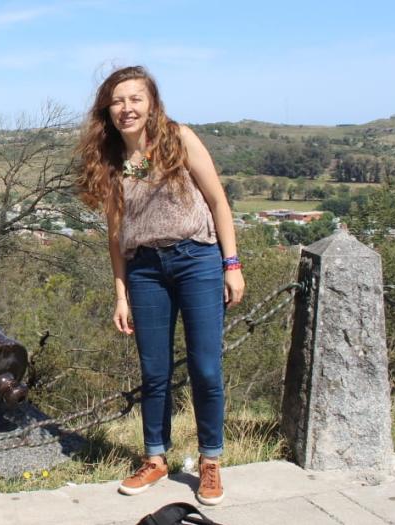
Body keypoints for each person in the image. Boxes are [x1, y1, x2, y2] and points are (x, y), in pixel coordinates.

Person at [75, 66, 245, 506]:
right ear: (107, 110)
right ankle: (155, 457)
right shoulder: (109, 161)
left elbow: (217, 201)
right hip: (145, 269)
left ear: (151, 103)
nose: (126, 108)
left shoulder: (178, 138)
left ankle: (210, 461)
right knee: (154, 372)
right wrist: (121, 293)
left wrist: (232, 263)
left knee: (205, 367)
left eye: (135, 98)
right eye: (117, 100)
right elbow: (115, 235)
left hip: (197, 259)